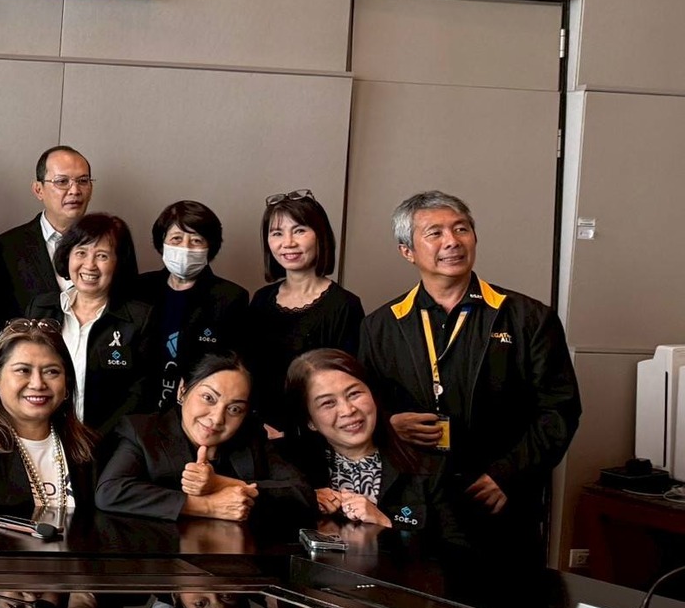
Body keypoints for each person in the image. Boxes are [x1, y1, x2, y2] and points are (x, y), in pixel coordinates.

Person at [358, 191, 580, 562]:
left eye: (461, 229)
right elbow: (364, 404)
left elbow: (559, 409)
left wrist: (508, 475)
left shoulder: (527, 317)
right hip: (413, 496)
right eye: (435, 233)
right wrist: (389, 424)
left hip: (498, 496)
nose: (452, 241)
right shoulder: (380, 325)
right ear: (407, 251)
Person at [96, 354, 312, 522]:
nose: (217, 419)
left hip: (238, 559)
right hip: (161, 558)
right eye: (208, 398)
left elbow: (303, 493)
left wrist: (220, 483)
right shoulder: (143, 431)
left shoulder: (250, 437)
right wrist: (209, 506)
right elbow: (110, 491)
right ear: (182, 390)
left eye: (235, 409)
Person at [284, 349, 464, 546]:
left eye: (354, 394)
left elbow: (459, 555)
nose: (348, 410)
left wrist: (386, 526)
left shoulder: (430, 469)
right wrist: (307, 497)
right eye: (328, 403)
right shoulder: (290, 470)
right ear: (310, 420)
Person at [0, 320, 99, 519]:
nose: (38, 384)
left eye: (52, 371)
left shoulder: (89, 445)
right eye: (23, 370)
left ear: (67, 382)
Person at [246, 191, 362, 435]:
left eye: (299, 231)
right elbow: (247, 370)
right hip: (257, 430)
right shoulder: (261, 299)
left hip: (315, 432)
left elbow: (344, 385)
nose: (288, 243)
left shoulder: (344, 305)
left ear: (320, 235)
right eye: (277, 233)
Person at [27, 213, 155, 435]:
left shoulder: (139, 319)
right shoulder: (41, 309)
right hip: (43, 435)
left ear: (118, 262)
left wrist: (96, 439)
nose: (89, 265)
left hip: (110, 442)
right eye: (81, 252)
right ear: (67, 256)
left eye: (102, 256)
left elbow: (140, 394)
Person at [136, 200, 248, 412]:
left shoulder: (230, 298)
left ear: (210, 247)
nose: (185, 249)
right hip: (140, 413)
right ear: (162, 243)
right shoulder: (140, 288)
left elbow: (230, 369)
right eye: (176, 239)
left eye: (196, 240)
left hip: (197, 413)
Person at [0, 144, 97, 321]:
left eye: (83, 181)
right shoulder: (4, 249)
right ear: (38, 190)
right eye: (62, 182)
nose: (75, 190)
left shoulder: (111, 245)